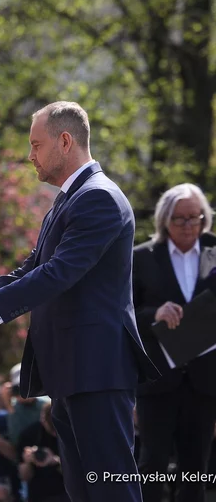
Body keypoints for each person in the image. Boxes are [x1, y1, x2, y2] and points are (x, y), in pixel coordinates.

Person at [0, 101, 159, 502]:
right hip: (72, 372)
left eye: (36, 144)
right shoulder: (68, 201)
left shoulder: (98, 198)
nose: (30, 156)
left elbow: (57, 274)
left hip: (96, 371)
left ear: (65, 142)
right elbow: (29, 270)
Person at [133, 183, 216, 502]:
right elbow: (124, 314)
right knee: (151, 464)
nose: (187, 226)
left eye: (194, 218)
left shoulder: (213, 252)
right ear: (165, 220)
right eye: (179, 219)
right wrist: (156, 313)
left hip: (204, 379)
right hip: (158, 379)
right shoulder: (143, 258)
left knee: (195, 467)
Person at [18, 401, 69, 502]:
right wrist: (28, 461)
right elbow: (23, 476)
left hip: (68, 493)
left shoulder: (72, 433)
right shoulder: (30, 435)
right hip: (40, 494)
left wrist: (55, 461)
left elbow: (85, 474)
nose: (55, 433)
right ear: (42, 420)